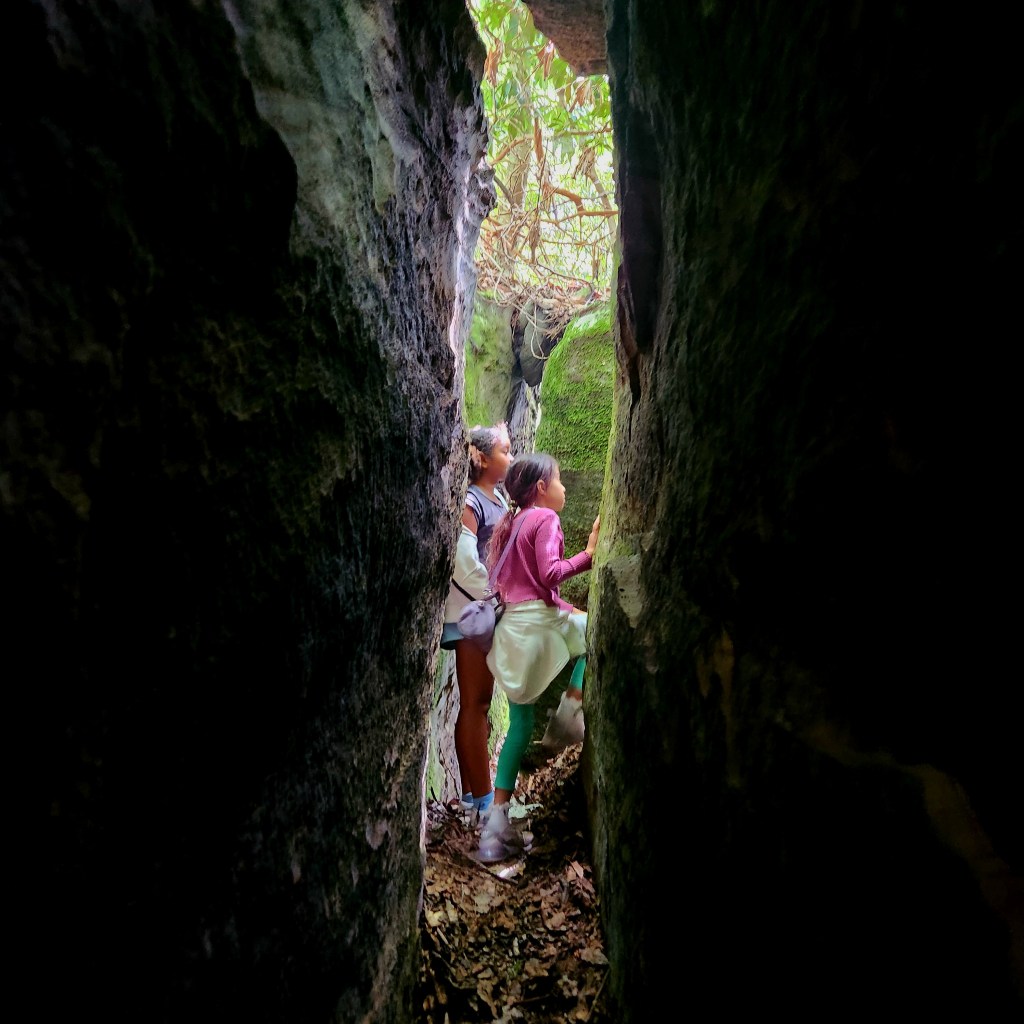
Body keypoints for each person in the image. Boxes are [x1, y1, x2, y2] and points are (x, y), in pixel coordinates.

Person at [477, 453, 600, 863]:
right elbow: (548, 575)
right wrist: (589, 553)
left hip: (512, 631)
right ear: (542, 487)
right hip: (535, 627)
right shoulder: (545, 518)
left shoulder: (514, 521)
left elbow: (527, 585)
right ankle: (571, 708)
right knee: (595, 632)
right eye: (559, 480)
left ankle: (495, 828)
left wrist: (566, 608)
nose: (563, 487)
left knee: (521, 724)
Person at [440, 422, 513, 823]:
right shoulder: (471, 502)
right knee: (476, 704)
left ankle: (473, 795)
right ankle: (485, 804)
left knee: (476, 704)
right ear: (482, 459)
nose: (511, 457)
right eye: (505, 451)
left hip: (483, 611)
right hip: (474, 614)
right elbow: (464, 561)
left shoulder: (496, 497)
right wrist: (496, 595)